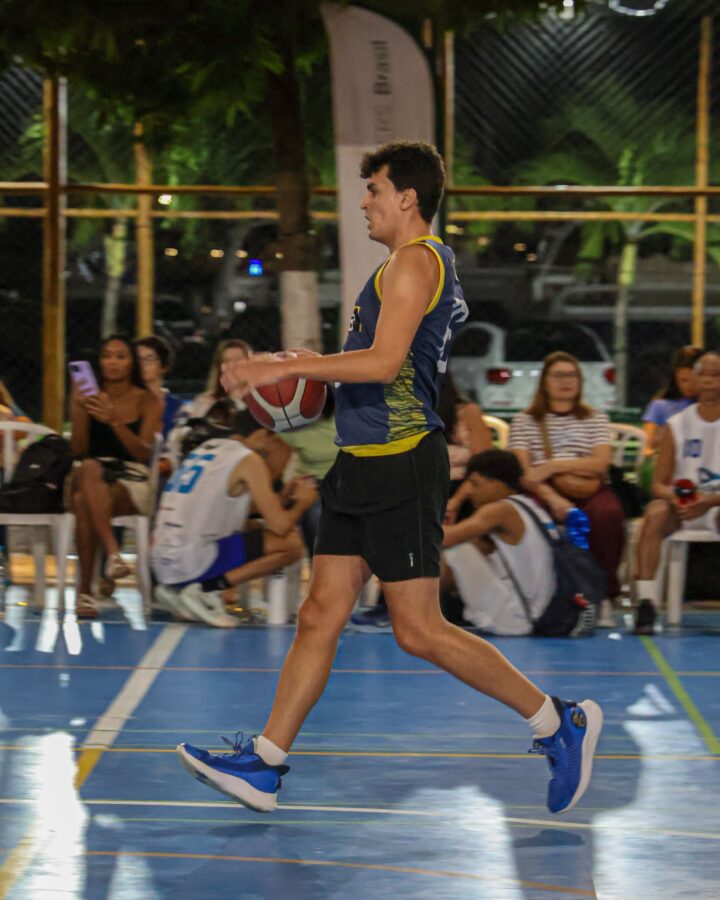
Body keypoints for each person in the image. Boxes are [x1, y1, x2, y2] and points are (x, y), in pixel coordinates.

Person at [176, 141, 602, 816]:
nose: (365, 202)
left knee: (419, 630)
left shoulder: (415, 262)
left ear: (407, 196)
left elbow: (383, 365)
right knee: (320, 613)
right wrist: (311, 362)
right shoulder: (405, 267)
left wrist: (286, 368)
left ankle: (558, 721)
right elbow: (376, 362)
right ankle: (265, 762)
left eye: (374, 189)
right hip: (361, 460)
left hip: (401, 460)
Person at [152, 403, 317, 628]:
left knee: (252, 528)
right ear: (261, 434)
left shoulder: (206, 449)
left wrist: (282, 498)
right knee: (291, 545)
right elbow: (281, 525)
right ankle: (207, 589)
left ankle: (175, 589)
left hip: (162, 563)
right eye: (274, 439)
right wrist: (303, 502)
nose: (273, 447)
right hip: (191, 561)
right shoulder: (248, 459)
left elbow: (227, 508)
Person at [509, 351, 625, 607]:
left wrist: (553, 466)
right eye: (558, 375)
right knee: (533, 515)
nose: (566, 381)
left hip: (589, 486)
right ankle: (546, 593)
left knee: (608, 514)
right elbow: (526, 473)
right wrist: (554, 498)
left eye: (572, 375)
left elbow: (600, 462)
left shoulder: (595, 418)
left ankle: (603, 592)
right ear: (544, 381)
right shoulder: (525, 421)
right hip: (542, 489)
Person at [69, 334, 163, 618]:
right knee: (88, 468)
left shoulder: (148, 400)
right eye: (107, 356)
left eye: (120, 356)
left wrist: (114, 421)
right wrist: (78, 410)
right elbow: (79, 449)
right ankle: (113, 553)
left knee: (83, 500)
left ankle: (85, 592)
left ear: (132, 363)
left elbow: (143, 454)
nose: (112, 362)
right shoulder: (89, 396)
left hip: (130, 477)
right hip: (90, 472)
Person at [633, 351, 720, 633]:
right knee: (655, 513)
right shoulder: (677, 424)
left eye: (716, 375)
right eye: (703, 374)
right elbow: (658, 484)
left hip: (716, 505)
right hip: (684, 507)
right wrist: (677, 498)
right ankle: (646, 603)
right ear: (693, 378)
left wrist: (710, 501)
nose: (709, 381)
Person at [442, 450, 556, 634]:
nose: (470, 491)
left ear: (495, 483)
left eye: (475, 483)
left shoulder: (500, 510)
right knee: (472, 547)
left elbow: (446, 538)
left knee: (453, 549)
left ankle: (417, 613)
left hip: (515, 621)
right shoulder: (530, 506)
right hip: (537, 616)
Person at [135, 335, 183, 438]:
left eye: (149, 359)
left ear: (163, 366)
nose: (142, 364)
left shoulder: (177, 407)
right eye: (138, 359)